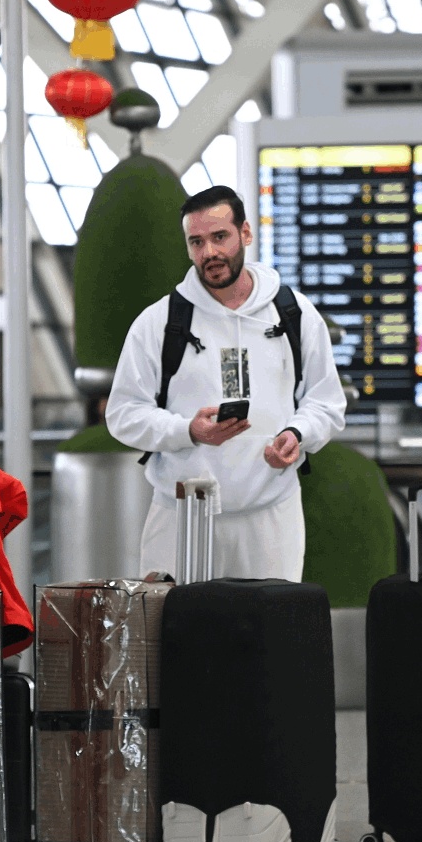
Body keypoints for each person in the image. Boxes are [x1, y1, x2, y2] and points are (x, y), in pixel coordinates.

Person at [106, 186, 347, 581]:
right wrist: (188, 431)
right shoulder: (158, 322)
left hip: (272, 520)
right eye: (196, 242)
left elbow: (326, 402)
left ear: (245, 233)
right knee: (176, 623)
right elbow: (123, 414)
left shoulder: (295, 313)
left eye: (220, 237)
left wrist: (296, 434)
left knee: (271, 623)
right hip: (180, 516)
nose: (209, 253)